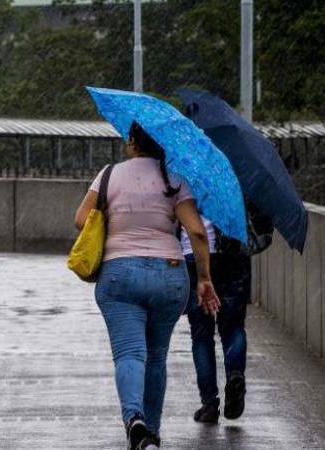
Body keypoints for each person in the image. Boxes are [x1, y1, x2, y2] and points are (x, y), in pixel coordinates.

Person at [74, 122, 220, 450]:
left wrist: (117, 218)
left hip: (119, 274)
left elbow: (81, 219)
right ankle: (150, 435)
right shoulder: (175, 180)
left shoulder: (109, 175)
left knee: (129, 353)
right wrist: (204, 279)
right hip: (169, 276)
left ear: (133, 142)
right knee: (156, 355)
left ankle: (134, 420)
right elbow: (197, 232)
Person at [181, 205, 272, 423]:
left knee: (202, 335)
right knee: (233, 327)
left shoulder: (181, 175)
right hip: (231, 253)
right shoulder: (236, 174)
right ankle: (235, 374)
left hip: (192, 254)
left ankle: (209, 404)